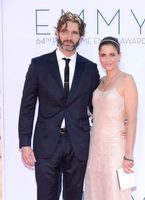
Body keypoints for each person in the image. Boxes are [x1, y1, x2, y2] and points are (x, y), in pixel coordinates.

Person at [18, 11, 100, 200]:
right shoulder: (38, 65)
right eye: (65, 31)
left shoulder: (90, 69)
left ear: (80, 36)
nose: (69, 37)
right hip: (46, 143)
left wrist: (118, 123)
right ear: (57, 33)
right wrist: (24, 143)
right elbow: (27, 106)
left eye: (74, 32)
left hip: (78, 144)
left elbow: (97, 106)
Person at [84, 36, 138, 200]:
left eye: (112, 55)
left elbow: (133, 118)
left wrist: (128, 155)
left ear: (119, 56)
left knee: (115, 191)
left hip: (116, 148)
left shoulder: (127, 80)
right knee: (95, 190)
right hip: (95, 148)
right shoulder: (100, 82)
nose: (107, 59)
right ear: (99, 56)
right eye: (103, 55)